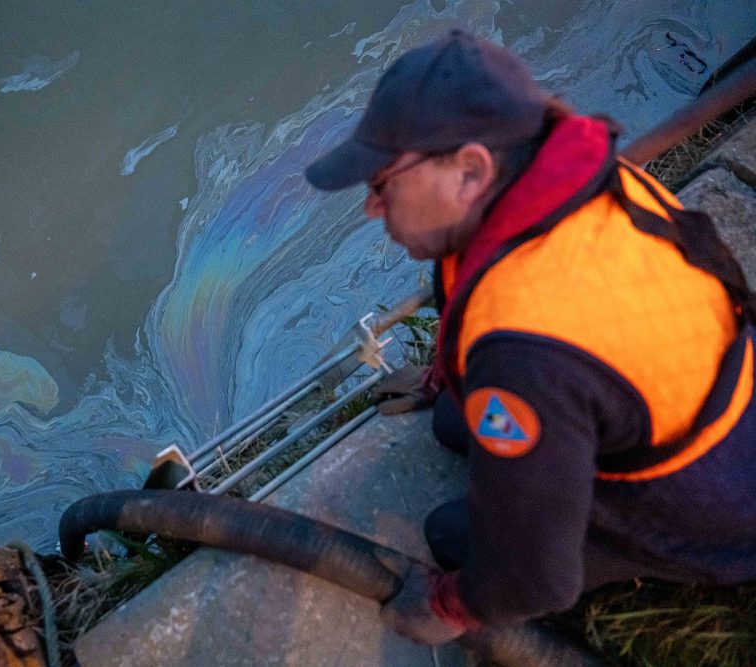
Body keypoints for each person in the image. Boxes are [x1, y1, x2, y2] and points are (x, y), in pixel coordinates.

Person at [304, 29, 756, 646]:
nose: (372, 209)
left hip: (709, 502)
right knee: (450, 421)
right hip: (699, 398)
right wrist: (447, 374)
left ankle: (654, 553)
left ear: (471, 169)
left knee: (456, 537)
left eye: (383, 184)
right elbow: (475, 280)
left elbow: (537, 579)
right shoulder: (582, 184)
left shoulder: (523, 359)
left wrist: (450, 605)